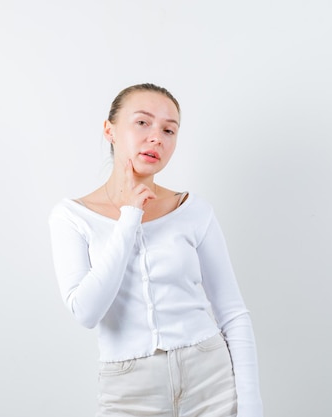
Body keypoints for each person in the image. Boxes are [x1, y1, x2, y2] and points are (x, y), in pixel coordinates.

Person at [48, 83, 263, 417]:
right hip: (129, 390)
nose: (156, 138)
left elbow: (233, 312)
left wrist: (252, 408)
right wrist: (129, 217)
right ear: (110, 130)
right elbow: (86, 312)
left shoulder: (192, 210)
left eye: (169, 130)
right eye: (142, 123)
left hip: (212, 380)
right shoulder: (72, 217)